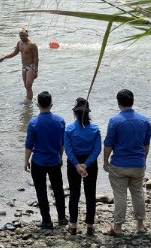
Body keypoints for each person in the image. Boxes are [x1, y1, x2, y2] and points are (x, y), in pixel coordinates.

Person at [103, 89, 151, 236]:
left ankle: (117, 227)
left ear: (118, 103)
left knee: (120, 196)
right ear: (133, 101)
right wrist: (143, 160)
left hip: (120, 164)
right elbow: (146, 144)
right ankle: (140, 225)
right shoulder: (144, 120)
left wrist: (105, 161)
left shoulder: (115, 121)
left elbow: (108, 144)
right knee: (137, 194)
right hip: (138, 164)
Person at [24, 91, 67, 229]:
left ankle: (47, 220)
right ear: (51, 105)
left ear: (37, 105)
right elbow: (62, 144)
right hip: (54, 160)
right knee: (58, 190)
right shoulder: (60, 121)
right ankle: (62, 218)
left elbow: (29, 144)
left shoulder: (33, 123)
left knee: (41, 191)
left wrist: (26, 161)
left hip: (39, 161)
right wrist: (60, 157)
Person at [64, 98, 101, 236]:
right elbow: (97, 150)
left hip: (74, 163)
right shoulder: (95, 129)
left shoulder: (69, 129)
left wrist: (77, 165)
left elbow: (68, 150)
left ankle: (73, 225)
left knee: (74, 193)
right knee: (90, 194)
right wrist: (86, 164)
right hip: (90, 163)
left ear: (75, 114)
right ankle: (90, 226)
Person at [0, 27, 39, 100]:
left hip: (31, 66)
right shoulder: (19, 43)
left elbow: (36, 58)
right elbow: (14, 53)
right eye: (20, 36)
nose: (22, 37)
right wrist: (4, 57)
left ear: (27, 35)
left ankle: (29, 104)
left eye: (23, 35)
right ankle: (29, 100)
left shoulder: (32, 44)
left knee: (28, 86)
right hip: (24, 67)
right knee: (26, 86)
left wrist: (36, 70)